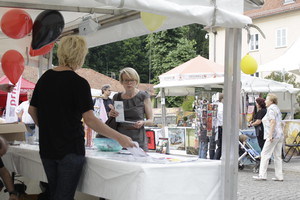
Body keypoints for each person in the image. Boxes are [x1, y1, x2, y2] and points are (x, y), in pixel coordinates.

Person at [28, 35, 135, 200]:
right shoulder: (78, 83)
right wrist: (120, 138)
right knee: (63, 196)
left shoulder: (45, 78)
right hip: (70, 148)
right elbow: (90, 119)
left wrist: (49, 128)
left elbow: (32, 110)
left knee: (54, 194)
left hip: (47, 146)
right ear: (80, 55)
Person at [109, 67, 153, 151]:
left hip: (138, 140)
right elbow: (113, 118)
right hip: (120, 140)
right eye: (126, 80)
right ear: (121, 82)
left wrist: (143, 122)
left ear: (136, 81)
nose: (129, 83)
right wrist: (111, 114)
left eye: (132, 80)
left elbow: (151, 121)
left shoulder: (143, 96)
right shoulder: (116, 97)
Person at [253, 93, 284, 181]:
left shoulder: (270, 109)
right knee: (277, 156)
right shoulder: (277, 108)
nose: (265, 101)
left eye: (266, 99)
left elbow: (272, 122)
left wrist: (270, 135)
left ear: (271, 101)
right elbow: (280, 122)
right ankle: (279, 176)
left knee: (264, 154)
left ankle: (262, 175)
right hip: (279, 135)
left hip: (273, 135)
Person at [214, 93, 223, 160]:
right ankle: (216, 158)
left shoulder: (216, 105)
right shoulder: (221, 106)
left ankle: (216, 158)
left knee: (219, 145)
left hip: (217, 127)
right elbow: (221, 117)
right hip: (220, 127)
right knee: (220, 145)